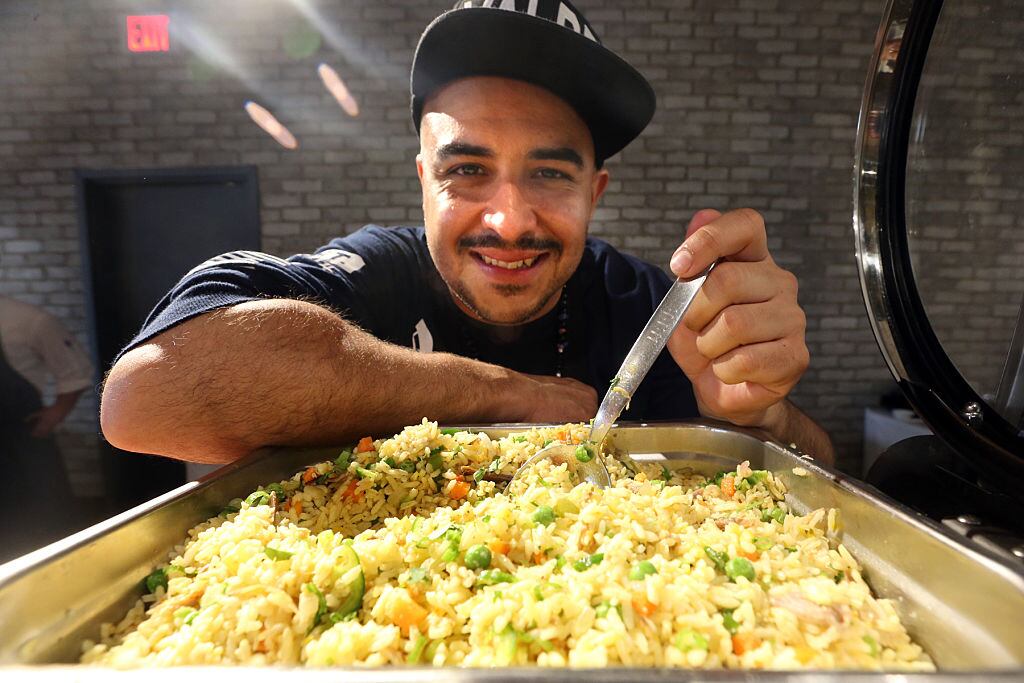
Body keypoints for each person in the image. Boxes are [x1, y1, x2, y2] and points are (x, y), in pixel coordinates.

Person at [101, 0, 834, 465]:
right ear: (423, 180)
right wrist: (520, 395)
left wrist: (764, 412)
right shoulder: (370, 278)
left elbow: (817, 465)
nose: (510, 221)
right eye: (467, 170)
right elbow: (143, 399)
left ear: (594, 191)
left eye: (550, 175)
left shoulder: (652, 306)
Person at [0, 292, 94, 558]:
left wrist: (55, 414)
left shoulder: (28, 320)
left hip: (23, 444)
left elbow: (76, 372)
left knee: (43, 530)